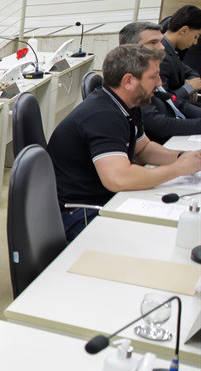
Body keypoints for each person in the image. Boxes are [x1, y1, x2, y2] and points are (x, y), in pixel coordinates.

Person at [48, 44, 201, 241]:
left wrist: (183, 158)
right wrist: (178, 169)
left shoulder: (126, 104)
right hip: (79, 212)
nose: (159, 83)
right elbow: (118, 179)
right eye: (153, 77)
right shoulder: (104, 116)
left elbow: (143, 149)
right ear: (129, 81)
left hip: (104, 199)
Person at [119, 22, 201, 141]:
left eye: (161, 41)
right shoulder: (130, 80)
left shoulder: (149, 69)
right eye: (153, 42)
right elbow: (156, 124)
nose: (162, 47)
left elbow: (175, 102)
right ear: (131, 47)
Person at [165, 5, 201, 75]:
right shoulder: (160, 55)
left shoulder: (171, 52)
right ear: (184, 30)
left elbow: (189, 72)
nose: (195, 42)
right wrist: (187, 83)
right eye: (195, 36)